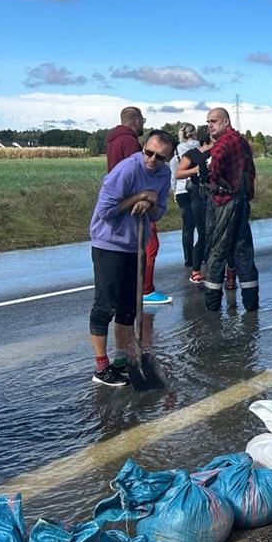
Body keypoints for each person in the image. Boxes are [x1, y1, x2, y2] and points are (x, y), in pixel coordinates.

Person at [87, 128, 177, 386]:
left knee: (128, 308)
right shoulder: (126, 170)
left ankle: (120, 362)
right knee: (105, 305)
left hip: (135, 244)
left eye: (160, 157)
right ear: (142, 149)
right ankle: (101, 368)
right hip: (109, 242)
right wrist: (139, 196)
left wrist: (150, 204)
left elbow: (158, 213)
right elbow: (105, 212)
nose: (152, 160)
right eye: (148, 153)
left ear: (168, 158)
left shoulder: (164, 174)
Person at [106, 106, 170, 304]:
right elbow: (141, 174)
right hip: (137, 203)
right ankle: (145, 289)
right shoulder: (131, 143)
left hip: (121, 199)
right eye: (142, 120)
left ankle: (131, 287)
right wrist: (145, 198)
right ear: (137, 121)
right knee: (149, 245)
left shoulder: (112, 139)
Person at [203, 107, 259, 311]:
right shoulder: (241, 141)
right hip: (241, 200)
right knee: (243, 252)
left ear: (226, 122)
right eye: (208, 122)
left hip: (225, 201)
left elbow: (214, 168)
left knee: (216, 253)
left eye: (214, 121)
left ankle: (212, 309)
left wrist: (209, 176)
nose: (210, 125)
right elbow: (251, 171)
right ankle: (251, 306)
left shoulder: (225, 142)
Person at [173, 126, 211, 284]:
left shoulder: (180, 150)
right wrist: (197, 169)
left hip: (190, 192)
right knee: (202, 231)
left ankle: (192, 262)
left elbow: (174, 173)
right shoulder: (194, 153)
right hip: (196, 194)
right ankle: (195, 267)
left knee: (194, 228)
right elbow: (178, 172)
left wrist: (174, 190)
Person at [169, 123, 199, 270]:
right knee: (202, 223)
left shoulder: (177, 151)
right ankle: (201, 254)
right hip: (197, 188)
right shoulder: (200, 146)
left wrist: (175, 191)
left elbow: (173, 173)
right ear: (195, 132)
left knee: (187, 225)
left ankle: (188, 259)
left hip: (181, 189)